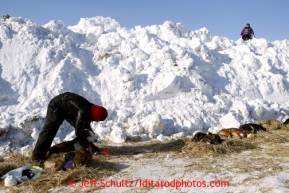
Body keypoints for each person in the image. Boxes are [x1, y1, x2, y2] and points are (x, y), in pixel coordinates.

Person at [32, 92, 108, 166]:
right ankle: (37, 157)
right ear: (95, 116)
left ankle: (91, 148)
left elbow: (86, 128)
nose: (96, 121)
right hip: (56, 106)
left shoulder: (92, 110)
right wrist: (85, 145)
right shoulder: (83, 111)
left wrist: (89, 145)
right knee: (49, 130)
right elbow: (79, 131)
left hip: (67, 109)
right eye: (97, 120)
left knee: (85, 129)